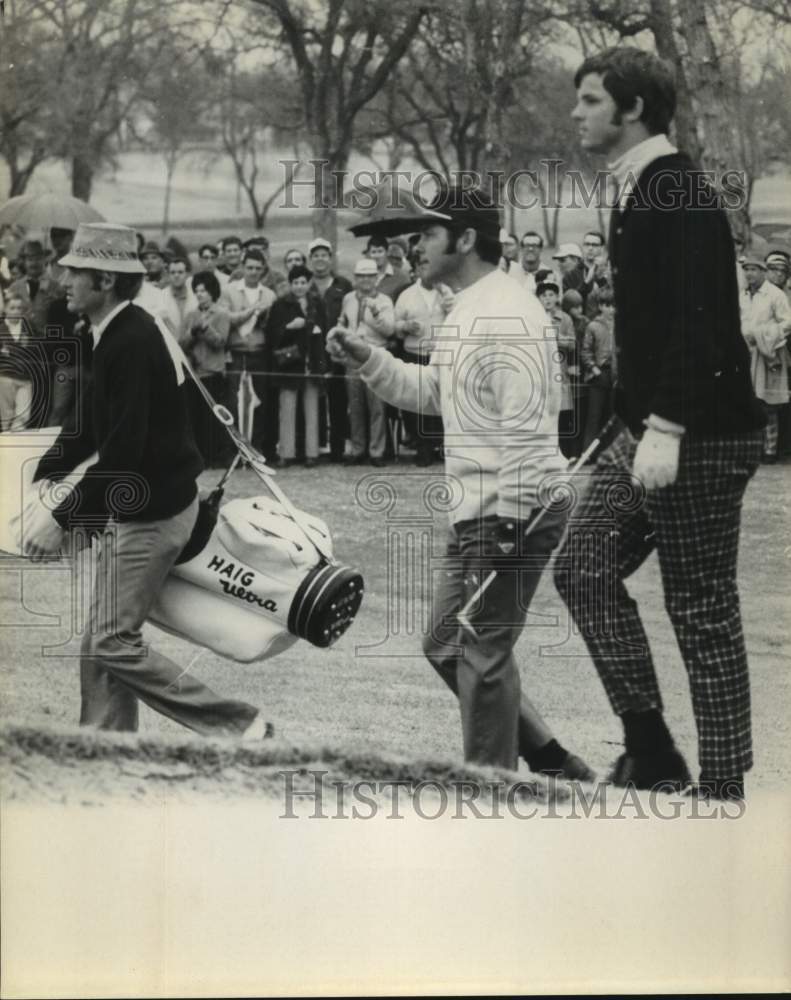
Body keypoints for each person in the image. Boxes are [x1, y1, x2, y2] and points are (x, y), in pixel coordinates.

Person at [328, 186, 595, 780]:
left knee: (479, 648)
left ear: (466, 239)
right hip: (481, 511)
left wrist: (507, 523)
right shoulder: (467, 305)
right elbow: (433, 394)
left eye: (425, 235)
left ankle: (488, 791)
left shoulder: (508, 311)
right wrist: (365, 357)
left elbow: (529, 426)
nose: (412, 246)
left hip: (513, 509)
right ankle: (554, 760)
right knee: (447, 644)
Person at [557, 46, 766, 801]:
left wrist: (668, 427)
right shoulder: (637, 187)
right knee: (579, 569)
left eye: (588, 100)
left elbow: (700, 325)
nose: (575, 113)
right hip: (642, 429)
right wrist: (624, 426)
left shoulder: (675, 190)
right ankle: (651, 750)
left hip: (699, 435)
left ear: (631, 108)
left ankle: (721, 790)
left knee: (700, 610)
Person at [23, 222, 268, 739]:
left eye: (74, 272)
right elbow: (90, 425)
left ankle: (240, 726)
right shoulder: (110, 330)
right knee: (102, 639)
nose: (62, 280)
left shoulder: (129, 341)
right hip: (145, 506)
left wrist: (61, 521)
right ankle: (106, 747)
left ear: (105, 281)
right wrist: (37, 474)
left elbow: (123, 454)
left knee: (111, 641)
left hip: (153, 514)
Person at [392, 253, 453, 465]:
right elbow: (394, 325)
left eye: (430, 265)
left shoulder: (446, 292)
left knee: (442, 401)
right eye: (422, 266)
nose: (426, 271)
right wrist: (405, 327)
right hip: (414, 354)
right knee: (417, 402)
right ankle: (422, 447)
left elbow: (459, 317)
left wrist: (449, 305)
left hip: (440, 354)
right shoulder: (407, 295)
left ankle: (442, 446)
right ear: (416, 269)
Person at [267, 264, 327, 468]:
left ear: (309, 283)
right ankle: (286, 453)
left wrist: (322, 363)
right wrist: (289, 328)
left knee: (312, 409)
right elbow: (272, 335)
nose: (300, 286)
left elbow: (324, 331)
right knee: (287, 409)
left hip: (312, 363)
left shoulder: (316, 304)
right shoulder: (280, 305)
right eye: (295, 283)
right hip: (290, 364)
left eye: (303, 282)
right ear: (290, 284)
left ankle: (312, 453)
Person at [337, 258, 395, 466]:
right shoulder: (348, 299)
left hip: (375, 355)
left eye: (370, 276)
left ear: (377, 278)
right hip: (353, 357)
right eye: (361, 276)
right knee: (355, 405)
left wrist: (376, 313)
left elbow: (389, 330)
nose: (365, 280)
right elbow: (342, 321)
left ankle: (377, 451)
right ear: (355, 278)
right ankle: (358, 448)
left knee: (377, 406)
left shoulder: (385, 301)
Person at [224, 249, 277, 459]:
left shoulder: (269, 295)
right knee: (233, 403)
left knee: (260, 402)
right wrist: (252, 310)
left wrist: (263, 315)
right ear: (243, 268)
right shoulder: (229, 291)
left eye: (257, 268)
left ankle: (256, 449)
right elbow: (227, 318)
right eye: (249, 268)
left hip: (258, 353)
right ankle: (234, 451)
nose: (253, 272)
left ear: (263, 270)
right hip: (237, 353)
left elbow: (270, 327)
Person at [740, 256, 791, 463]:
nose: (750, 274)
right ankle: (752, 447)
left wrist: (764, 333)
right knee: (748, 400)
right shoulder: (742, 295)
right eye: (747, 270)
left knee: (768, 403)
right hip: (746, 352)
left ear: (763, 271)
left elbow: (787, 322)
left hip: (768, 353)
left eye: (754, 269)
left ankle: (770, 450)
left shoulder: (775, 295)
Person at [308, 237, 353, 462]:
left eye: (324, 255)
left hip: (337, 351)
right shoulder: (304, 285)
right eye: (315, 255)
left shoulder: (343, 285)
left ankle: (337, 449)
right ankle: (313, 449)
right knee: (313, 400)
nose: (320, 260)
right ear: (310, 259)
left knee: (338, 401)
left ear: (330, 258)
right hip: (312, 351)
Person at [181, 269, 232, 467]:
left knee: (212, 419)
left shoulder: (221, 314)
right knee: (195, 418)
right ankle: (199, 457)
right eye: (197, 291)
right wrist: (193, 333)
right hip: (193, 373)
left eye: (204, 290)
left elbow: (221, 341)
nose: (200, 294)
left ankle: (214, 457)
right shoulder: (190, 315)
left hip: (213, 372)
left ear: (212, 292)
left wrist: (205, 329)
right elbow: (181, 343)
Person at [537, 279, 577, 460]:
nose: (547, 299)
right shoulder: (534, 317)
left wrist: (557, 337)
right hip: (540, 373)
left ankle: (564, 453)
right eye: (543, 295)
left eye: (551, 295)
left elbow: (572, 343)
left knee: (562, 414)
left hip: (560, 373)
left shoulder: (564, 318)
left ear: (557, 297)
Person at [580, 284, 616, 451]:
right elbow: (585, 351)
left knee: (613, 416)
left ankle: (611, 453)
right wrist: (594, 369)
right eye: (607, 306)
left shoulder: (619, 325)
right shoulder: (593, 326)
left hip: (615, 374)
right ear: (601, 306)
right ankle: (588, 453)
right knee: (594, 416)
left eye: (613, 305)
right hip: (599, 374)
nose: (611, 309)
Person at [0, 291, 35, 431]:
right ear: (5, 309)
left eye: (19, 308)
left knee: (23, 414)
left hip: (25, 377)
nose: (16, 312)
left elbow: (36, 348)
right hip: (5, 377)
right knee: (5, 414)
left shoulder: (28, 327)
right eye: (12, 308)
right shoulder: (1, 328)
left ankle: (18, 434)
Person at [157, 256, 198, 343]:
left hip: (193, 348)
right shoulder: (160, 297)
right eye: (173, 272)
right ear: (168, 275)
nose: (176, 275)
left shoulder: (196, 296)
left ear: (187, 274)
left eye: (180, 272)